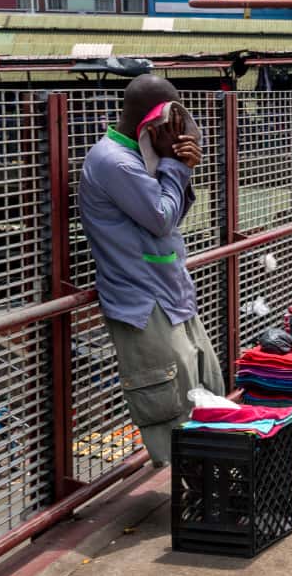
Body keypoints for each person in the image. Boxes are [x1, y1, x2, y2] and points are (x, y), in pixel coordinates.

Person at [78, 74, 224, 467]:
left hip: (171, 291)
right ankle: (196, 486)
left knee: (206, 385)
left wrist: (178, 167)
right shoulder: (114, 161)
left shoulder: (144, 156)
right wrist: (175, 166)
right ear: (154, 120)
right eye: (171, 121)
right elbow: (160, 218)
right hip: (142, 300)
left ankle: (210, 478)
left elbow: (169, 218)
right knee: (170, 399)